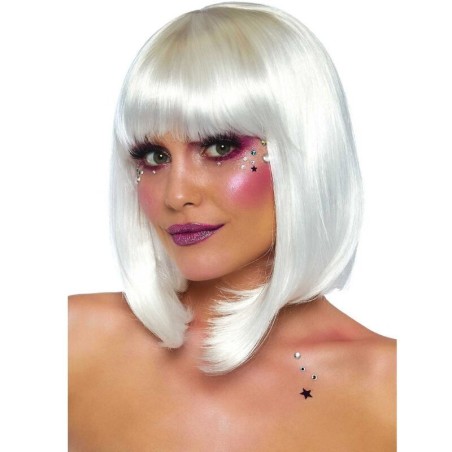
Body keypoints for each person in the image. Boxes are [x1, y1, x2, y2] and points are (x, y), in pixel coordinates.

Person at [69, 2, 396, 450]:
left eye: (219, 147)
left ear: (305, 156)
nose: (176, 194)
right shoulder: (73, 341)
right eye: (154, 156)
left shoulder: (394, 388)